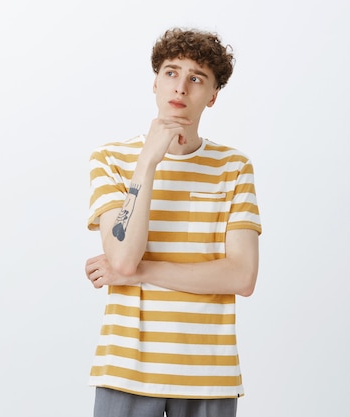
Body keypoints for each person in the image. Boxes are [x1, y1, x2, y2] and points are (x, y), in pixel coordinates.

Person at [84, 27, 262, 417]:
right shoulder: (111, 159)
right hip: (126, 369)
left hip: (209, 374)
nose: (180, 87)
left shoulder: (234, 168)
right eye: (171, 72)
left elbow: (242, 277)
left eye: (196, 78)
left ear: (212, 96)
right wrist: (147, 162)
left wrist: (136, 274)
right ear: (155, 82)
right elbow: (123, 257)